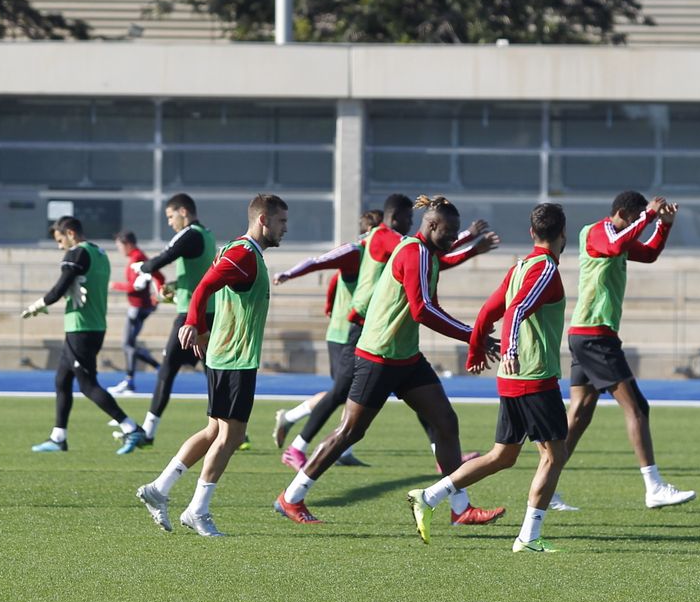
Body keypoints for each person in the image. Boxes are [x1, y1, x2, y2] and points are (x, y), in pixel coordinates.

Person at [275, 196, 503, 526]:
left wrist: (472, 339)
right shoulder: (414, 252)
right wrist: (474, 335)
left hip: (406, 358)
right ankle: (291, 497)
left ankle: (460, 508)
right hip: (378, 356)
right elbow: (422, 310)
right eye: (450, 232)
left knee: (446, 423)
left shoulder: (429, 255)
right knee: (349, 433)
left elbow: (430, 304)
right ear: (432, 225)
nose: (454, 238)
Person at [406, 203, 571, 552]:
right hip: (533, 377)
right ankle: (529, 537)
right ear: (563, 234)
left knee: (503, 456)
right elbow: (515, 310)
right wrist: (509, 349)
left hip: (513, 380)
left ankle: (428, 496)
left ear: (531, 233)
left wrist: (476, 350)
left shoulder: (519, 267)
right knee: (554, 455)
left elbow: (489, 310)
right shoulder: (545, 269)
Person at [135, 194, 288, 537]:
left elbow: (212, 286)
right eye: (281, 222)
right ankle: (197, 510)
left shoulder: (241, 251)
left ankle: (159, 489)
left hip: (227, 353)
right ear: (263, 220)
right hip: (234, 357)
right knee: (231, 436)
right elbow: (205, 285)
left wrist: (204, 329)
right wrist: (193, 323)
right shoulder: (243, 254)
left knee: (214, 432)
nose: (285, 229)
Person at [560, 190, 693, 510]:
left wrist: (664, 225)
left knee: (578, 415)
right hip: (594, 336)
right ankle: (654, 486)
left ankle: (546, 484)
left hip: (589, 333)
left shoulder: (619, 233)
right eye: (636, 219)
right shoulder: (597, 231)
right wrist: (649, 216)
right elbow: (615, 245)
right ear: (624, 212)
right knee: (637, 407)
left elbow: (647, 254)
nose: (639, 224)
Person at [22, 217, 147, 454]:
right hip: (93, 325)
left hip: (81, 328)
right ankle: (58, 437)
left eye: (60, 240)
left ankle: (131, 428)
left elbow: (60, 287)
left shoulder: (76, 253)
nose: (60, 246)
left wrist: (38, 304)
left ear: (70, 233)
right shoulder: (100, 253)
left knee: (88, 385)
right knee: (62, 379)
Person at [269, 209, 384, 468]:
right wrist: (290, 274)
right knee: (344, 392)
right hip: (345, 335)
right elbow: (323, 264)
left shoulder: (381, 258)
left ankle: (308, 429)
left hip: (361, 334)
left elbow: (334, 284)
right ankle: (298, 443)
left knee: (351, 394)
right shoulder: (358, 253)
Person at [121, 194, 215, 450]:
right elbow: (199, 275)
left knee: (167, 370)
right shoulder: (206, 235)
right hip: (207, 311)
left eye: (171, 216)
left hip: (191, 316)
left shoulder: (191, 233)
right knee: (212, 373)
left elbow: (165, 256)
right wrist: (174, 287)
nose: (170, 223)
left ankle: (148, 432)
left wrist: (141, 269)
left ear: (183, 211)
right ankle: (236, 430)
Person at [107, 230, 162, 397]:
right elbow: (154, 276)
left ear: (127, 244)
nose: (119, 249)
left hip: (138, 307)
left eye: (119, 246)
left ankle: (132, 380)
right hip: (138, 306)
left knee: (128, 344)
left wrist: (115, 285)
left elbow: (135, 285)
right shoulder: (137, 257)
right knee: (129, 344)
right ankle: (153, 370)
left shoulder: (137, 258)